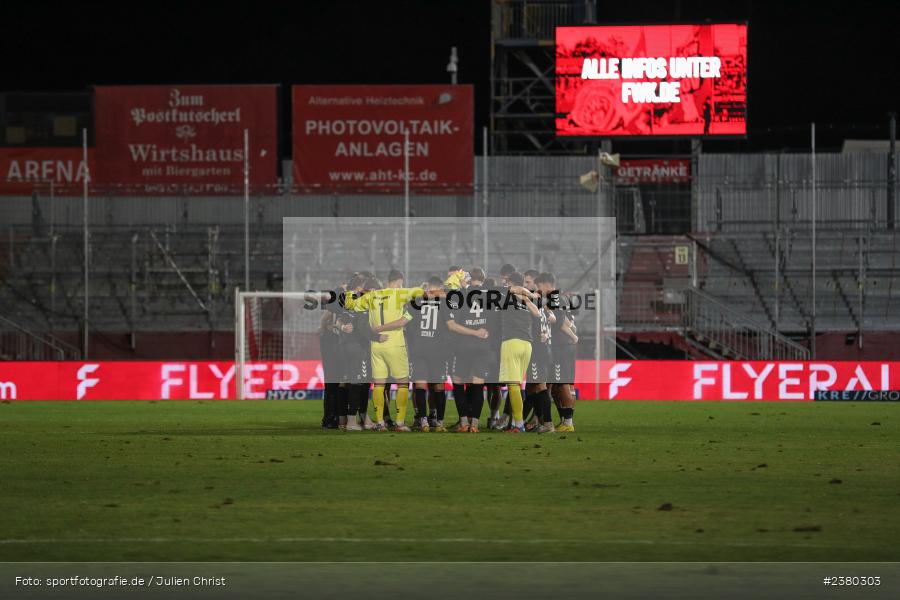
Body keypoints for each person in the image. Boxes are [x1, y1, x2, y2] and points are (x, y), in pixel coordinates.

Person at [405, 276, 450, 432]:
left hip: (419, 349)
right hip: (438, 350)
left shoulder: (415, 302)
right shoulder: (445, 303)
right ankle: (439, 423)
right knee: (438, 387)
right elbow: (451, 326)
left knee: (420, 385)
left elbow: (408, 326)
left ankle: (423, 421)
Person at [498, 271, 541, 433]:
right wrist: (529, 296)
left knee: (513, 385)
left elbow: (511, 290)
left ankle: (518, 424)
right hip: (527, 345)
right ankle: (517, 422)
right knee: (517, 384)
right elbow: (536, 314)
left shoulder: (506, 292)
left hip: (512, 342)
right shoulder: (526, 298)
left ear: (509, 281)